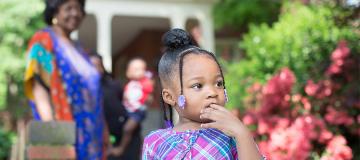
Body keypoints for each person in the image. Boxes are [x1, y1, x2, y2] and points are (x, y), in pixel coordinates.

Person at [142, 29, 265, 159]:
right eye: (198, 86)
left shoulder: (231, 136)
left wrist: (242, 133)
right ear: (170, 97)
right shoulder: (155, 142)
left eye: (218, 83)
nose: (212, 93)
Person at [24, 0, 105, 159]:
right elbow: (39, 86)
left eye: (79, 9)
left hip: (93, 136)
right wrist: (52, 132)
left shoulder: (80, 50)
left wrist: (105, 131)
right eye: (68, 8)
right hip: (63, 133)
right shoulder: (43, 40)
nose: (75, 13)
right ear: (55, 12)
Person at [90, 54, 142, 160]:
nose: (95, 69)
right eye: (91, 65)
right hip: (107, 141)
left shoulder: (114, 85)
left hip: (128, 138)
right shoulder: (86, 92)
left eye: (98, 65)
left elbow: (129, 104)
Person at [108, 58, 153, 158]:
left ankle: (121, 148)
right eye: (136, 69)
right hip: (129, 110)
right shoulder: (130, 84)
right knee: (129, 129)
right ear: (128, 72)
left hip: (137, 111)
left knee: (128, 129)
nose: (140, 72)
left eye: (142, 69)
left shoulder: (145, 82)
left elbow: (148, 95)